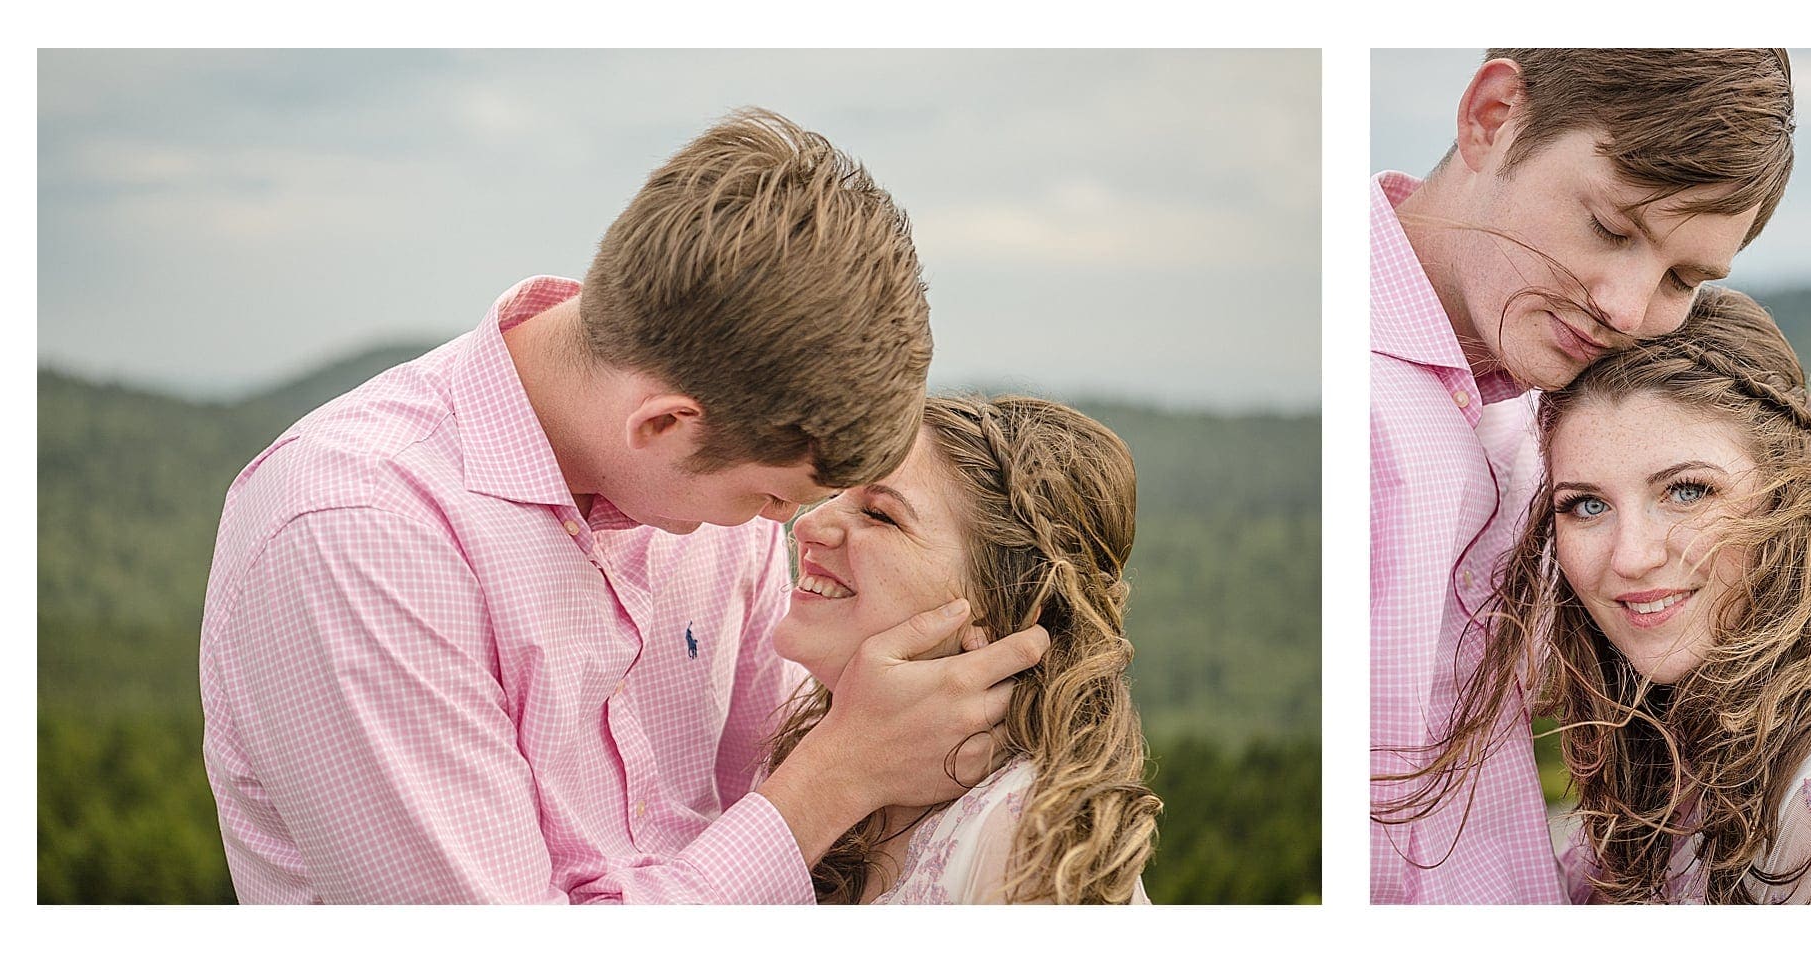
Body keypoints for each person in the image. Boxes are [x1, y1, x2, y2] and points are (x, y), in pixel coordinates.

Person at [198, 109, 1047, 903]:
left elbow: (765, 795)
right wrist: (840, 772)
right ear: (667, 424)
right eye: (768, 495)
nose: (776, 527)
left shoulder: (702, 496)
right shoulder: (354, 535)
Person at [1369, 49, 1796, 902]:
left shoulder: (1541, 390)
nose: (1628, 310)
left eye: (1683, 277)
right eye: (1609, 227)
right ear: (1493, 116)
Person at [1416, 287, 1811, 903]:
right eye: (1587, 505)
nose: (1632, 556)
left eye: (1686, 492)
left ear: (1784, 496)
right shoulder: (1683, 723)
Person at [765, 395, 1159, 903]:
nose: (807, 525)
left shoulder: (1029, 841)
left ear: (1006, 606)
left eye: (880, 515)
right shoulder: (806, 754)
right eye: (837, 491)